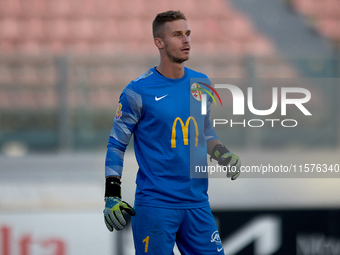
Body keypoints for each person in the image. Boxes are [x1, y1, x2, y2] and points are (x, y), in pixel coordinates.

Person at [103, 10, 241, 255]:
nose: (186, 40)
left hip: (197, 202)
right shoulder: (138, 91)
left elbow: (204, 129)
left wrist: (221, 152)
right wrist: (112, 193)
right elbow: (116, 143)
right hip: (156, 204)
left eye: (187, 34)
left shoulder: (202, 83)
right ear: (159, 42)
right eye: (177, 35)